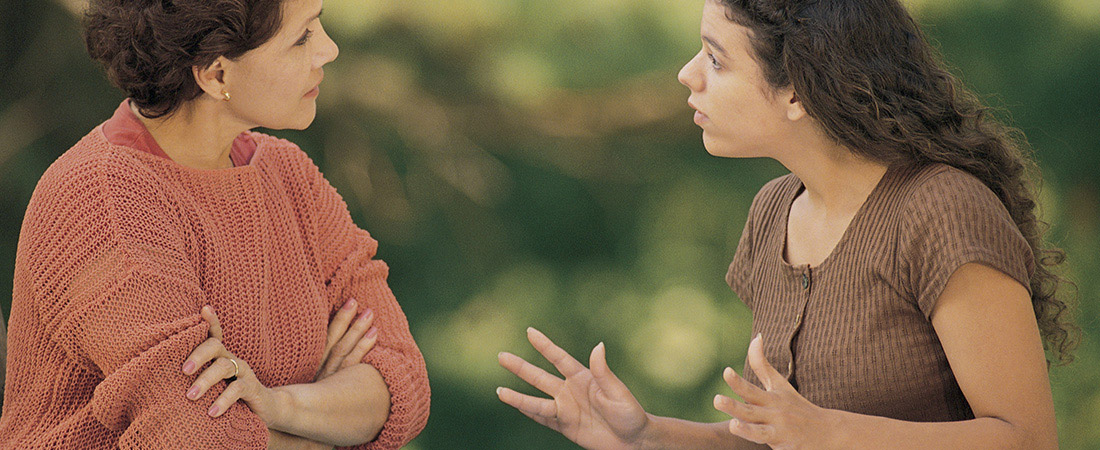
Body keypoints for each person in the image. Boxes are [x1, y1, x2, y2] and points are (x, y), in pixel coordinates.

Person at [497, 0, 1076, 448]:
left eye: (716, 58)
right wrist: (646, 435)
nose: (686, 75)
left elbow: (1027, 439)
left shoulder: (941, 210)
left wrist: (835, 435)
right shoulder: (772, 213)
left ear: (797, 89)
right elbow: (781, 438)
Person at [0, 0, 429, 448]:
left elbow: (405, 382)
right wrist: (327, 424)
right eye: (301, 37)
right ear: (216, 75)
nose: (329, 50)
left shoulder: (289, 175)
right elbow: (199, 439)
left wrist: (279, 405)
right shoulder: (99, 201)